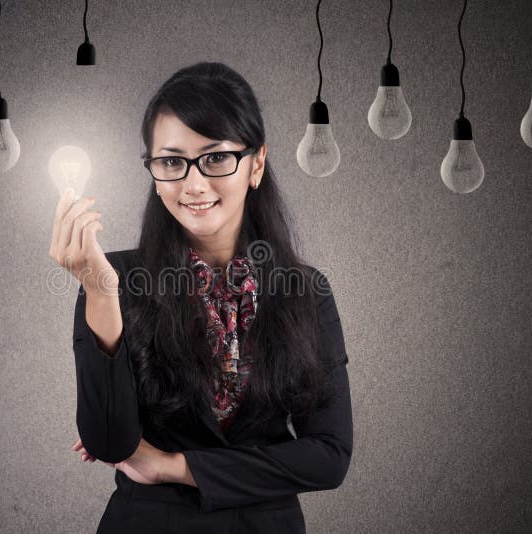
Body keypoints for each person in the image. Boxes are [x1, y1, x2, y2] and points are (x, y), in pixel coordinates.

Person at [49, 62, 352, 534]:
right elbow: (110, 443)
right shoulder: (114, 278)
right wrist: (100, 294)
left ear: (257, 163)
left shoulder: (306, 293)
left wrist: (174, 466)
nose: (193, 184)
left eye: (214, 158)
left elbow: (329, 458)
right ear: (153, 171)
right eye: (171, 161)